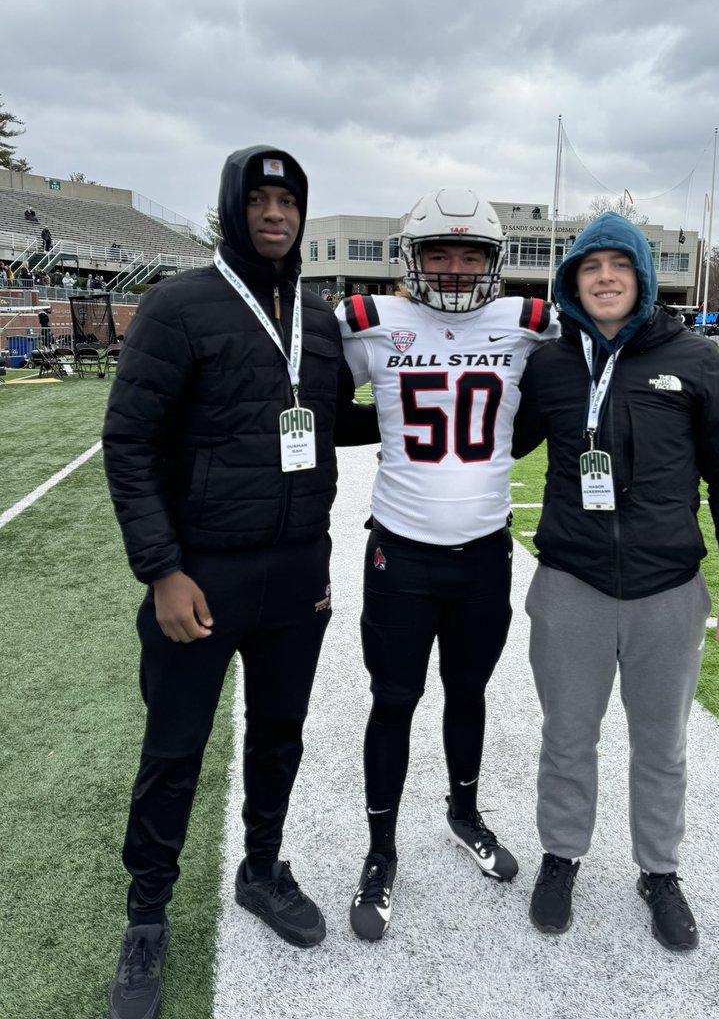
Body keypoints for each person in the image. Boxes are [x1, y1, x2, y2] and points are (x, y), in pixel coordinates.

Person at [102, 146, 378, 1019]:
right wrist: (163, 570)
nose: (274, 214)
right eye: (258, 199)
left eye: (287, 201)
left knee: (280, 736)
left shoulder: (321, 317)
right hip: (203, 575)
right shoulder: (179, 306)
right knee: (176, 749)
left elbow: (328, 424)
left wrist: (446, 400)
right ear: (233, 208)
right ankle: (147, 917)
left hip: (297, 571)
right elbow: (131, 445)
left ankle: (262, 870)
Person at [512, 212, 719, 951]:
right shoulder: (552, 364)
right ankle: (562, 856)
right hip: (572, 581)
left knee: (662, 743)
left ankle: (659, 870)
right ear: (572, 281)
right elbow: (496, 437)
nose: (605, 278)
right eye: (590, 267)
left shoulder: (695, 360)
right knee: (567, 736)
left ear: (643, 278)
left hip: (666, 587)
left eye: (619, 265)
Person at [336, 187, 559, 941]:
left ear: (495, 262)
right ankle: (379, 850)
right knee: (393, 699)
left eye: (472, 254)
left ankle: (464, 814)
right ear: (414, 259)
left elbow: (544, 414)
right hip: (400, 554)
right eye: (441, 253)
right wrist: (387, 420)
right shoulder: (368, 323)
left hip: (484, 558)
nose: (457, 268)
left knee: (469, 692)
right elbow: (314, 402)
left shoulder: (528, 325)